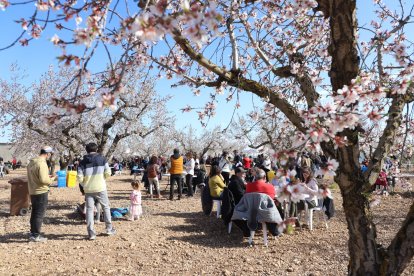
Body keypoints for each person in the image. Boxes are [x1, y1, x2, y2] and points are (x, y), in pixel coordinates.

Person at [77, 142, 116, 240]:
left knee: (89, 210)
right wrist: (102, 179)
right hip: (100, 187)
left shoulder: (82, 162)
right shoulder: (102, 159)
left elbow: (79, 177)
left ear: (86, 150)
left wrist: (85, 184)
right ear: (96, 149)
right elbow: (108, 172)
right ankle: (109, 229)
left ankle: (91, 233)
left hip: (88, 189)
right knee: (106, 207)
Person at [27, 146, 56, 242]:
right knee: (39, 214)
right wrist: (52, 179)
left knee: (34, 212)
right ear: (47, 154)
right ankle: (36, 235)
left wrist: (46, 176)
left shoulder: (32, 162)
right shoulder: (42, 163)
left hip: (33, 190)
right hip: (41, 191)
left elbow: (37, 176)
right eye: (50, 154)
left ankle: (32, 233)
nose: (49, 156)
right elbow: (44, 180)